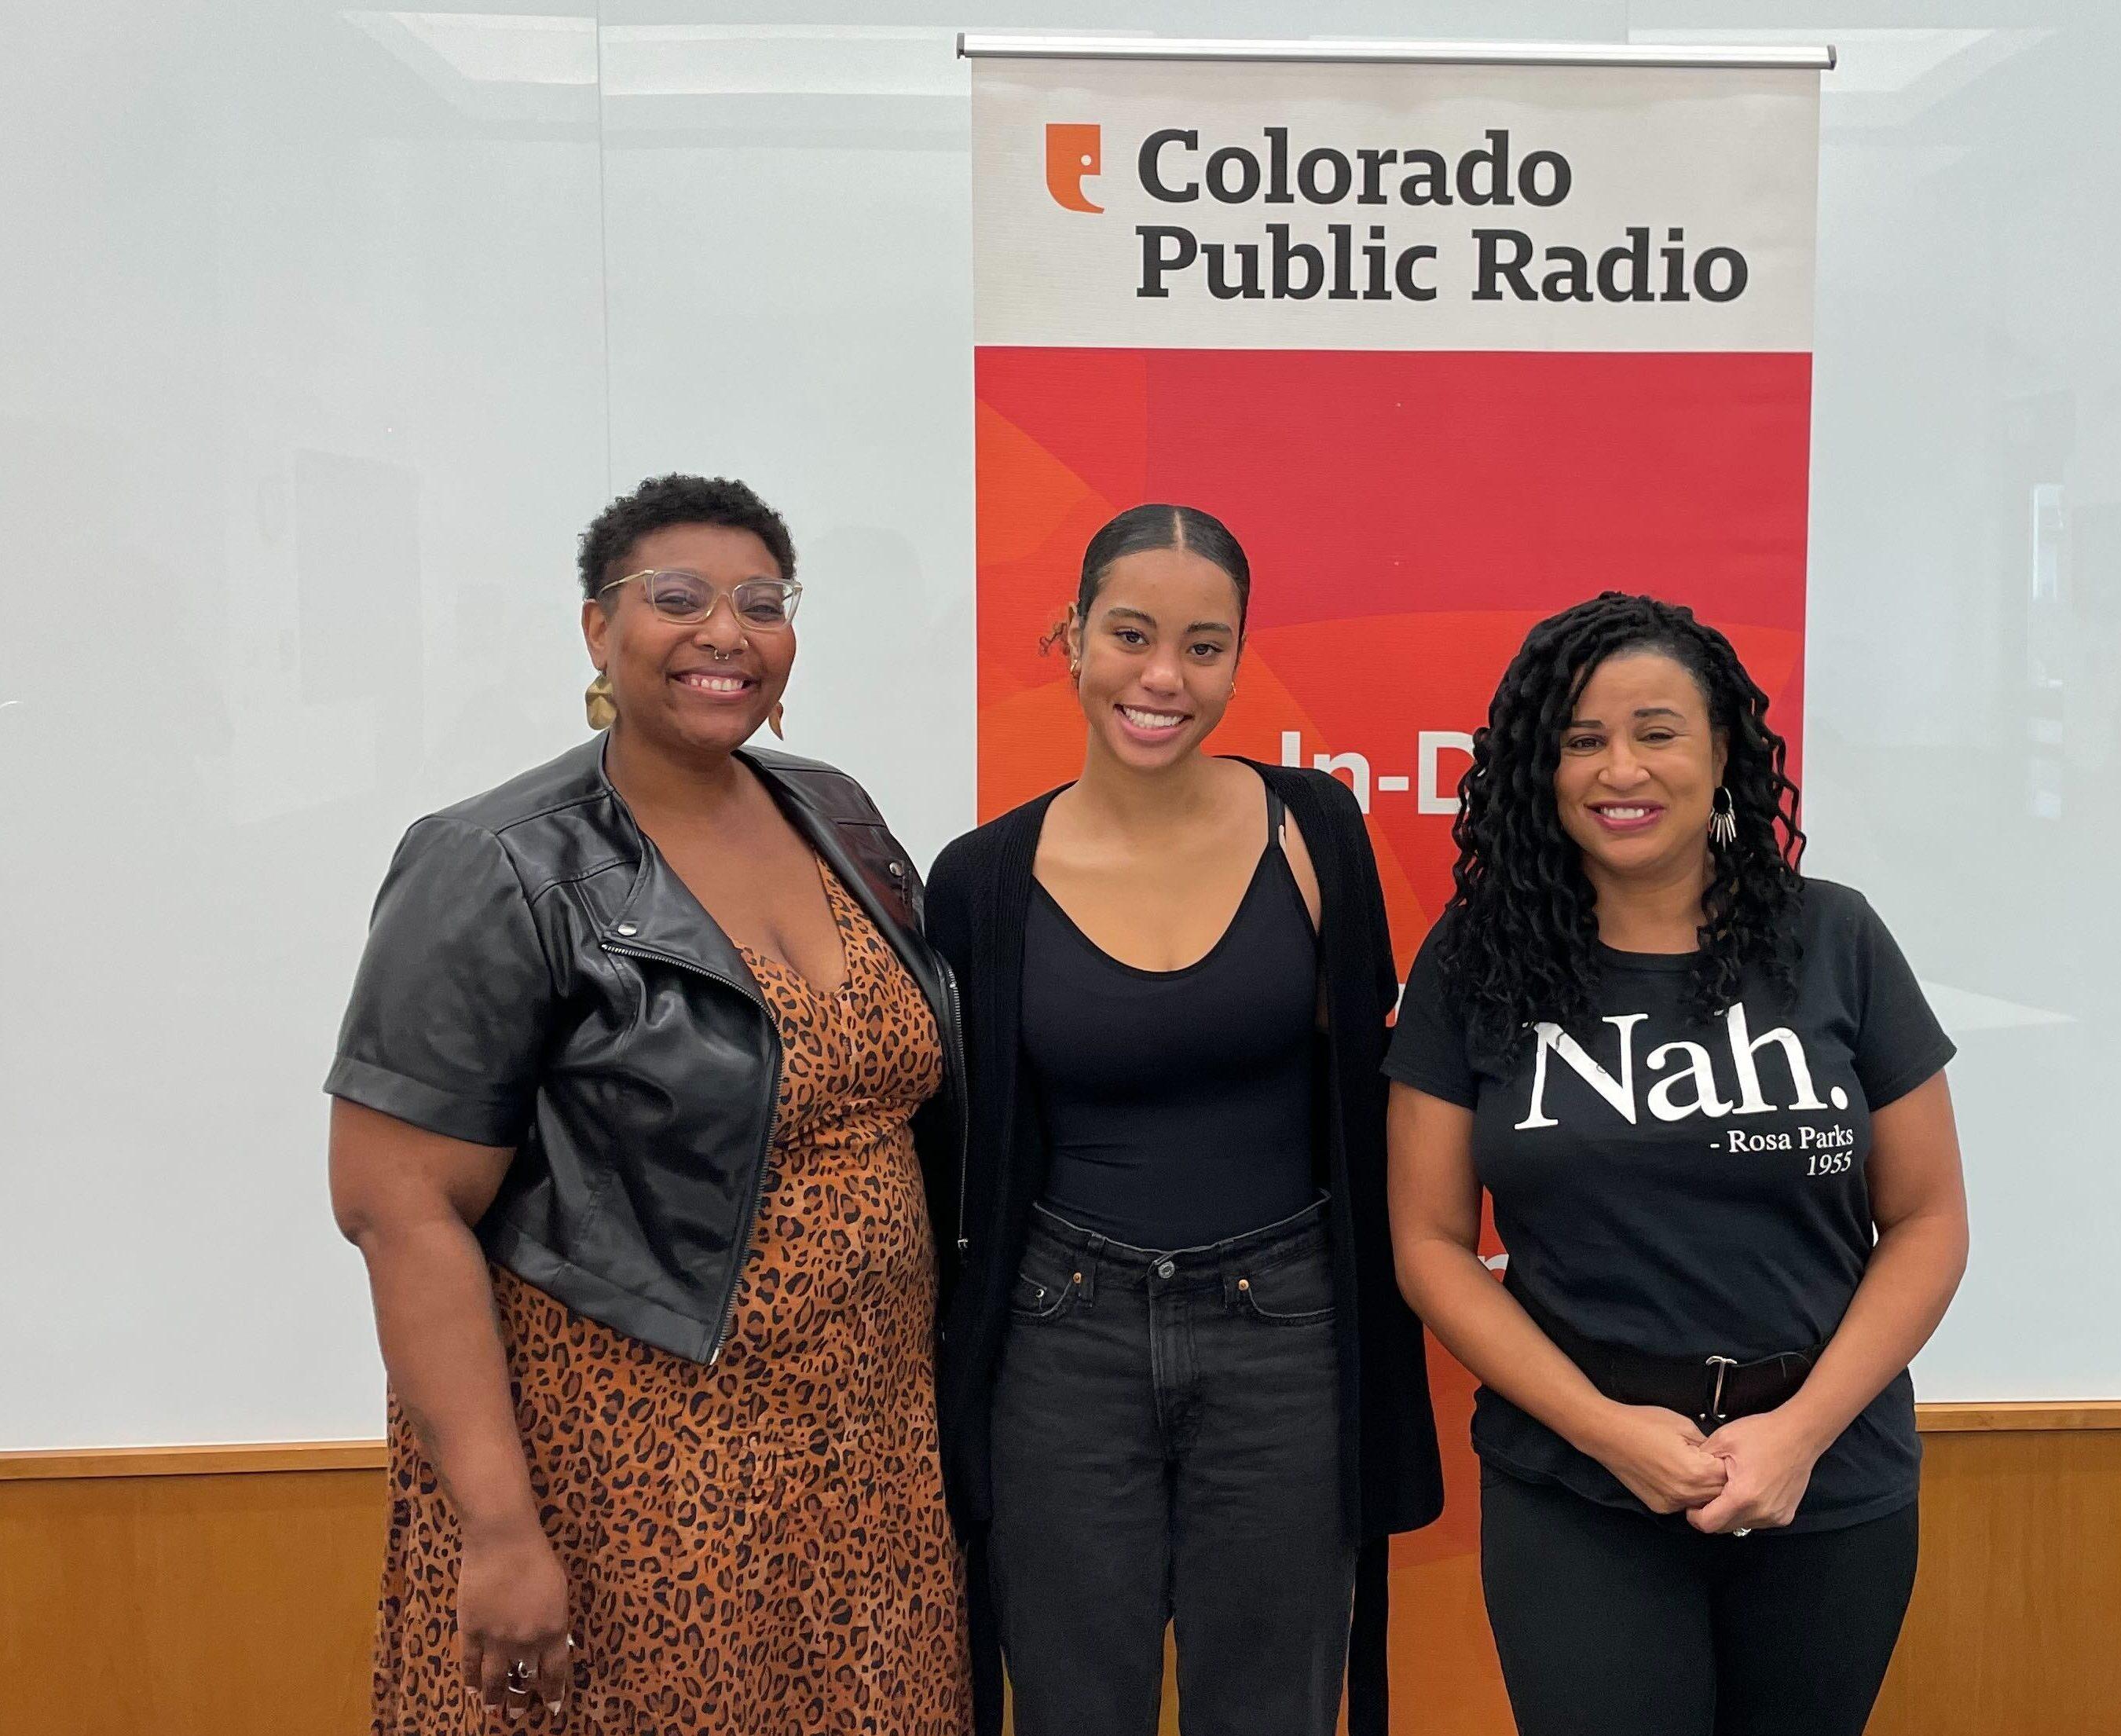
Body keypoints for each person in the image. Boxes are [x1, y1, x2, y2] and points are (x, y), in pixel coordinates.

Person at [325, 474, 971, 1734]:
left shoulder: (835, 811)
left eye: (762, 602)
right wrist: (501, 1526)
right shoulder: (499, 863)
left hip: (868, 1466)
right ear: (596, 630)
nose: (725, 631)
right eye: (676, 598)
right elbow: (397, 1208)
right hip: (629, 1476)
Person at [1384, 592, 1969, 1736]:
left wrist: (1797, 1433)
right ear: (1538, 769)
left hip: (1828, 1474)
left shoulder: (1834, 939)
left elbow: (1930, 1220)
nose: (1622, 768)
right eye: (1583, 738)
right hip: (1579, 1483)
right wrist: (1609, 1428)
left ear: (1722, 755)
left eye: (1657, 731)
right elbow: (1431, 1243)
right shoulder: (1476, 958)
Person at [922, 504, 1443, 1736]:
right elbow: (957, 1167)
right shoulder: (980, 878)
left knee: (1272, 1707)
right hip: (1061, 1343)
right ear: (1071, 635)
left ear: (1239, 656)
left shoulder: (1314, 828)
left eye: (1204, 646)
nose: (1163, 677)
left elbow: (1371, 1104)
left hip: (1289, 1331)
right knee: (1070, 1704)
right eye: (1132, 634)